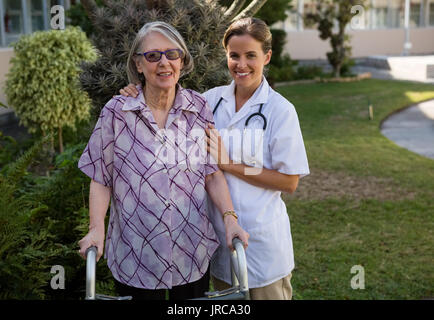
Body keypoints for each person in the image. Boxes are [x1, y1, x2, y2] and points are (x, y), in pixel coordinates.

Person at [120, 17, 309, 300]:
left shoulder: (280, 111)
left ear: (267, 57)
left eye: (250, 56)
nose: (241, 64)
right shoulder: (210, 100)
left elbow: (289, 181)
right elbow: (165, 102)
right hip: (217, 245)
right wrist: (136, 91)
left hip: (262, 246)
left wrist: (229, 164)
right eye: (234, 56)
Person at [78, 21, 249, 301]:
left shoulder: (198, 107)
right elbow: (100, 177)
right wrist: (96, 228)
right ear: (139, 64)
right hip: (136, 254)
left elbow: (211, 173)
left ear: (182, 60)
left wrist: (230, 219)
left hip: (191, 250)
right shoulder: (117, 112)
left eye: (172, 54)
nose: (164, 63)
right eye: (153, 56)